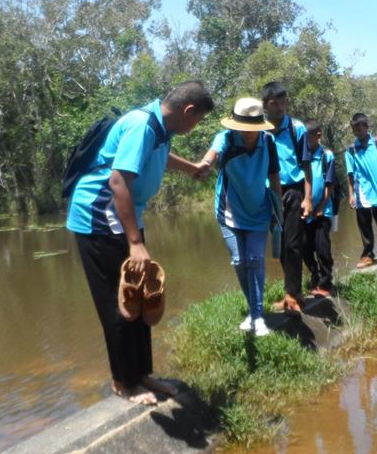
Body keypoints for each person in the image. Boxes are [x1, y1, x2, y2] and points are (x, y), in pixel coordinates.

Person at [67, 81, 214, 405]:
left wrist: (191, 168)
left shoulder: (160, 129)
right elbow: (118, 181)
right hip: (99, 218)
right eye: (199, 120)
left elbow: (161, 156)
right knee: (117, 300)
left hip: (123, 217)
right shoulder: (141, 126)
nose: (196, 125)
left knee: (142, 297)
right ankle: (123, 382)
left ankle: (142, 373)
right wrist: (135, 242)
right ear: (188, 111)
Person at [199, 98, 280, 336]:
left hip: (259, 210)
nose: (246, 132)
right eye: (242, 127)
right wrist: (204, 164)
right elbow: (212, 154)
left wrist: (278, 212)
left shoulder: (268, 141)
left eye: (251, 128)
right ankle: (253, 310)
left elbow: (274, 177)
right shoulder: (226, 138)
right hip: (229, 211)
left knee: (255, 259)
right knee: (238, 260)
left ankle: (257, 316)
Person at [262, 81, 312, 316]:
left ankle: (292, 294)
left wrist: (308, 198)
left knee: (293, 243)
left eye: (283, 102)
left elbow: (306, 165)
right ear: (265, 105)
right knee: (280, 244)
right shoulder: (259, 131)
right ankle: (294, 291)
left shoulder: (296, 128)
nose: (280, 107)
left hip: (293, 191)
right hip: (268, 194)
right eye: (275, 103)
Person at [345, 113, 377, 267]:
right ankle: (368, 255)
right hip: (361, 192)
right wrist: (351, 194)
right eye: (355, 130)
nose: (357, 133)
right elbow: (350, 174)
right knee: (364, 225)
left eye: (360, 129)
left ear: (366, 127)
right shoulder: (351, 150)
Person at [301, 120, 335, 297]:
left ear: (318, 135)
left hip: (323, 212)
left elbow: (329, 184)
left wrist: (321, 206)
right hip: (305, 213)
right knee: (305, 247)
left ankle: (326, 282)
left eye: (307, 137)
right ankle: (315, 274)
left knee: (323, 248)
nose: (305, 141)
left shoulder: (326, 156)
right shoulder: (301, 157)